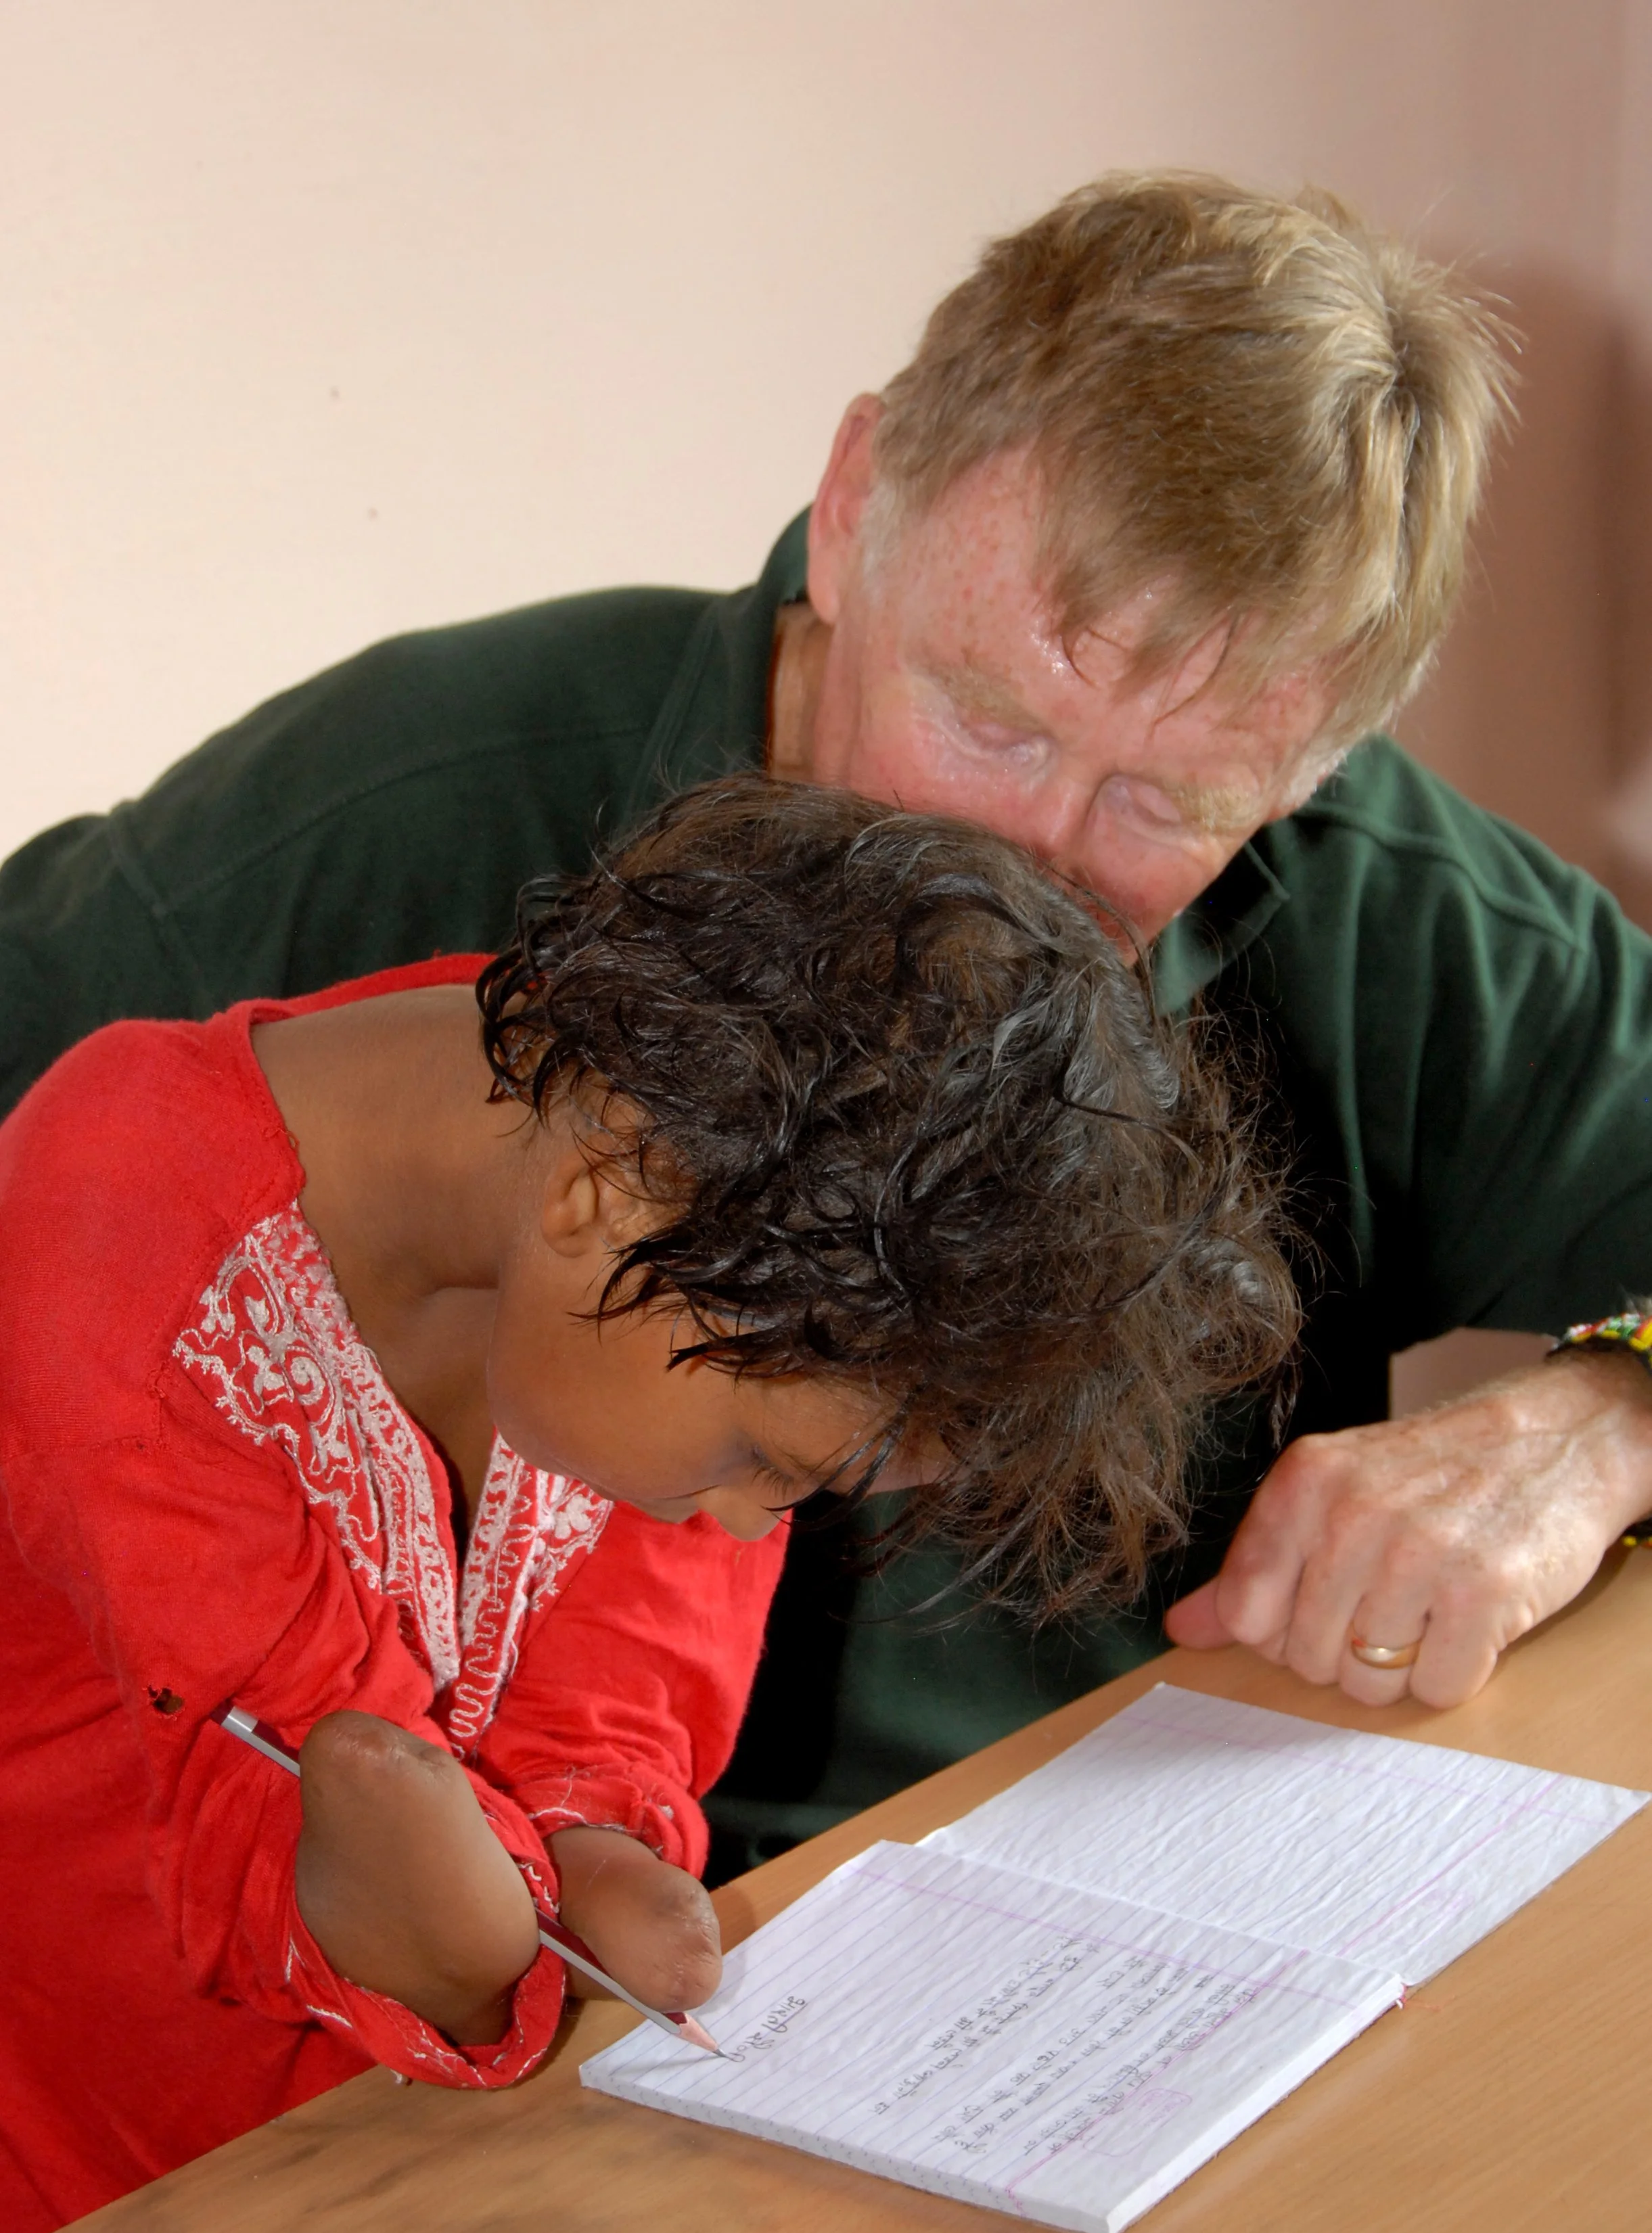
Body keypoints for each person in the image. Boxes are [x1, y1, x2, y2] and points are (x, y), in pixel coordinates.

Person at [1, 170, 1649, 1881]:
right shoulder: (400, 811)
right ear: (856, 505)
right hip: (368, 2006)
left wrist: (1596, 1422)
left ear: (1305, 776)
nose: (1031, 859)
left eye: (1166, 800)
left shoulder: (1391, 912)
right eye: (989, 721)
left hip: (1103, 1926)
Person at [0, 777, 1295, 2233]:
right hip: (95, 2201)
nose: (753, 1528)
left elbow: (627, 1665)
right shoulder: (117, 1230)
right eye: (773, 1462)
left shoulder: (669, 1186)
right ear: (609, 1188)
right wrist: (466, 1925)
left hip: (407, 2188)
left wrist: (595, 1835)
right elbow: (314, 1812)